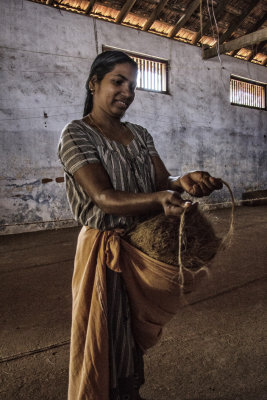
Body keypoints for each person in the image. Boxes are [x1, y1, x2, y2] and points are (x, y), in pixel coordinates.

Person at [58, 50, 223, 400]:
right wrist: (161, 200)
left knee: (132, 333)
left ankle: (129, 391)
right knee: (107, 332)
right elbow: (103, 197)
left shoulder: (140, 134)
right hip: (105, 249)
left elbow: (162, 179)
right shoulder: (76, 134)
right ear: (93, 83)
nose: (127, 92)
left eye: (132, 85)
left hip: (142, 246)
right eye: (117, 82)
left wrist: (184, 180)